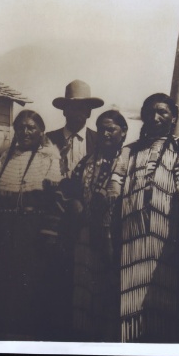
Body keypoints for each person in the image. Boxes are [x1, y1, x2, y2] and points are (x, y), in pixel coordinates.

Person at [0, 109, 71, 341]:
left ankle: (31, 337)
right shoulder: (6, 158)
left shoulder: (50, 157)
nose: (26, 132)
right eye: (21, 127)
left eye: (31, 127)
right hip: (5, 230)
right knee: (6, 279)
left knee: (32, 281)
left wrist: (49, 233)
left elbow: (57, 200)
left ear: (41, 131)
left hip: (34, 232)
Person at [111, 93, 179, 343]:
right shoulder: (129, 151)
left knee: (162, 292)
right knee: (129, 295)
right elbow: (114, 185)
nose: (155, 117)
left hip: (165, 234)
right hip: (130, 233)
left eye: (162, 112)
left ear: (173, 117)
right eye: (150, 112)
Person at [68, 110, 129, 342]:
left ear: (123, 132)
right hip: (87, 230)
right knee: (87, 282)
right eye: (102, 128)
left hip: (117, 231)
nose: (105, 133)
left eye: (111, 129)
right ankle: (87, 335)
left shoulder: (128, 159)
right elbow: (72, 189)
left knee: (111, 283)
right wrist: (78, 206)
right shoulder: (88, 160)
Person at [46, 80, 104, 177]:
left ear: (89, 112)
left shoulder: (98, 140)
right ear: (64, 111)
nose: (76, 113)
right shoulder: (49, 139)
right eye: (72, 107)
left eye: (81, 108)